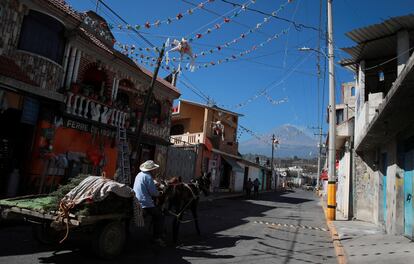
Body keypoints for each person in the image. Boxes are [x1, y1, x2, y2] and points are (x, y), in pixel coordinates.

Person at [133, 160, 165, 246]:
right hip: (145, 203)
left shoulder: (139, 175)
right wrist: (160, 193)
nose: (154, 170)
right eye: (153, 169)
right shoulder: (148, 177)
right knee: (159, 216)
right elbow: (153, 193)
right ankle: (157, 238)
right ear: (150, 170)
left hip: (136, 199)